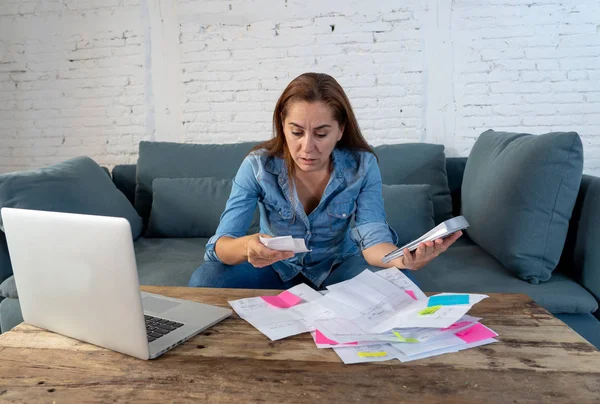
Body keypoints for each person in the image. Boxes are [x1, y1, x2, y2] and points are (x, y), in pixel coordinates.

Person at [188, 72, 462, 290]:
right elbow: (219, 247)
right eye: (296, 132)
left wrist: (403, 259)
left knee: (402, 286)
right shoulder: (258, 166)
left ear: (341, 130)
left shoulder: (362, 166)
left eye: (321, 134)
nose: (307, 147)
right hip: (274, 268)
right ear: (283, 127)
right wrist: (248, 246)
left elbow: (373, 240)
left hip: (338, 266)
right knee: (206, 280)